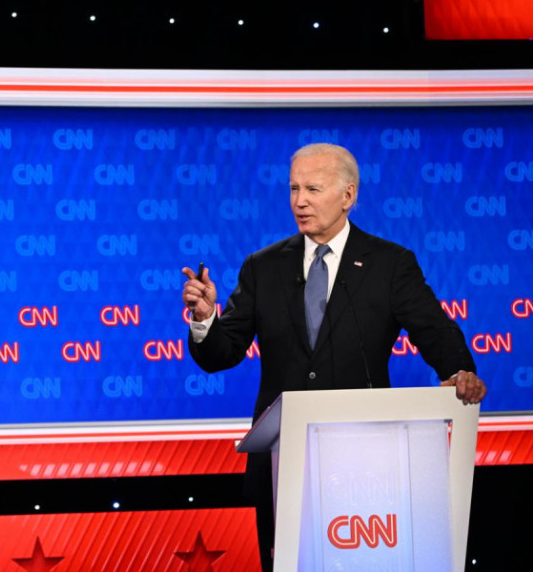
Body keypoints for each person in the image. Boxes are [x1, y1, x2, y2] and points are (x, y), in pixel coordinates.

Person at [180, 142, 486, 572]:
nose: (299, 201)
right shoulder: (262, 267)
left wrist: (458, 370)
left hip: (367, 463)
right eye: (293, 189)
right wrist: (206, 317)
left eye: (313, 189)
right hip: (282, 466)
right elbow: (221, 353)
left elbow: (434, 329)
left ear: (348, 196)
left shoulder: (389, 264)